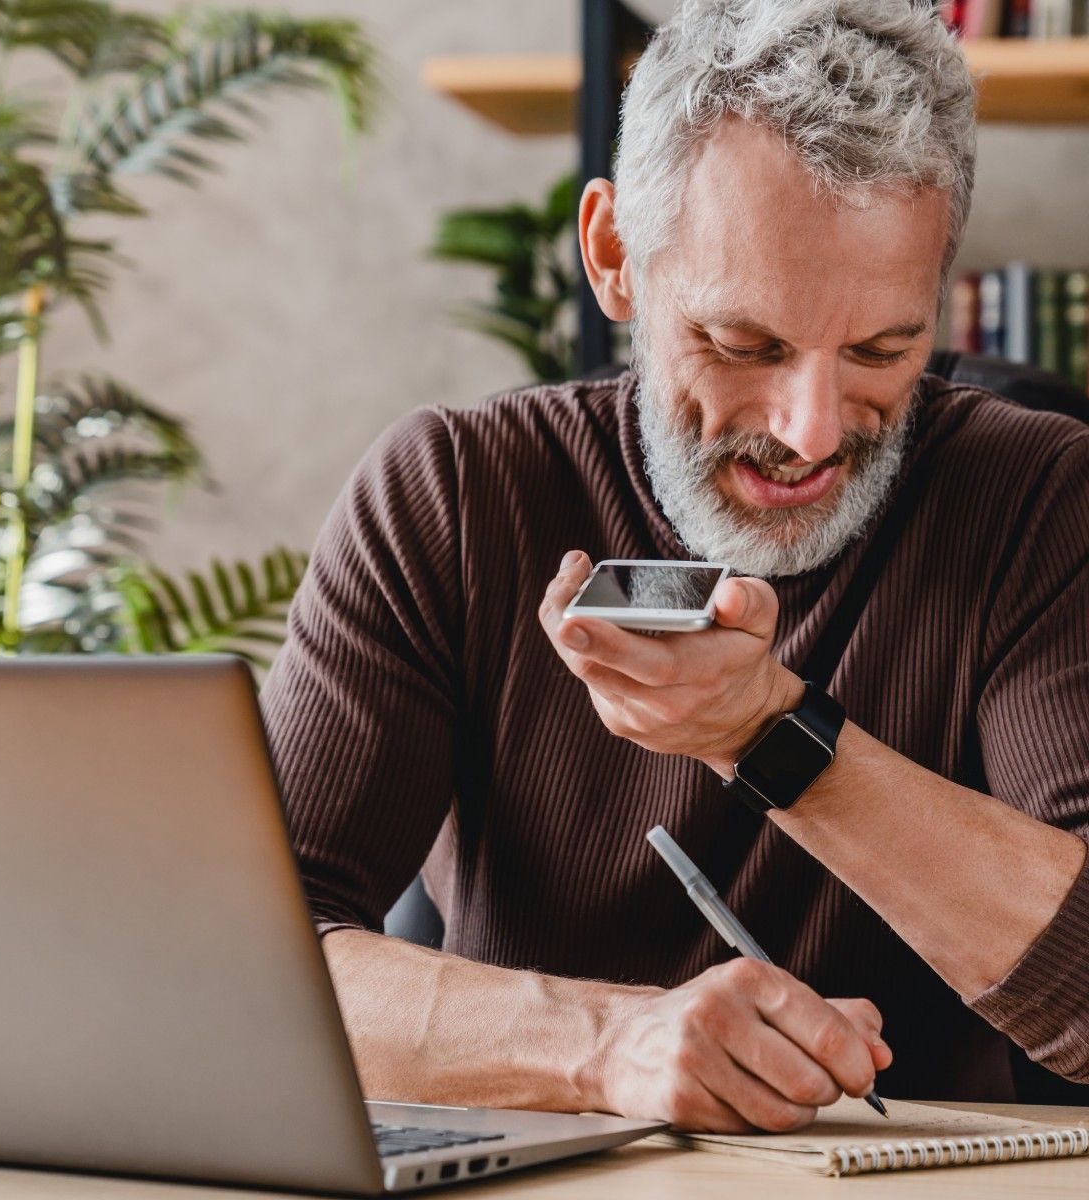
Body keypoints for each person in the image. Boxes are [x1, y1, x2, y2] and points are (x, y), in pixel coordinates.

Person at [260, 0, 1089, 1132]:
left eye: (881, 351)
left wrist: (768, 734)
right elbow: (244, 966)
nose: (808, 430)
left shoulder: (1043, 498)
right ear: (613, 258)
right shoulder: (451, 493)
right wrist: (609, 1047)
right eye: (743, 346)